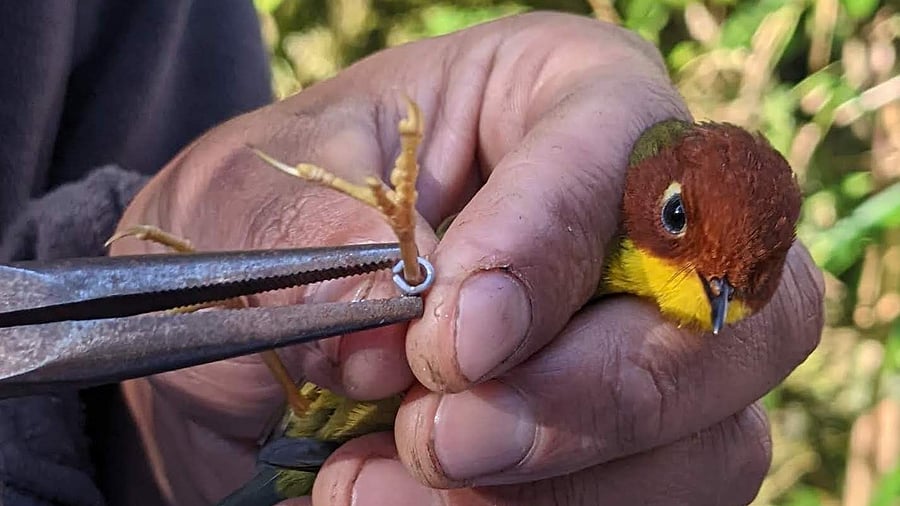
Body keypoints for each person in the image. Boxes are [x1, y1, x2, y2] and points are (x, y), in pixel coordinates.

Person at [0, 3, 824, 506]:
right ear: (652, 188)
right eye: (680, 221)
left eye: (739, 283)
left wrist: (139, 427)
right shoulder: (595, 234)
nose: (707, 288)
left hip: (272, 434)